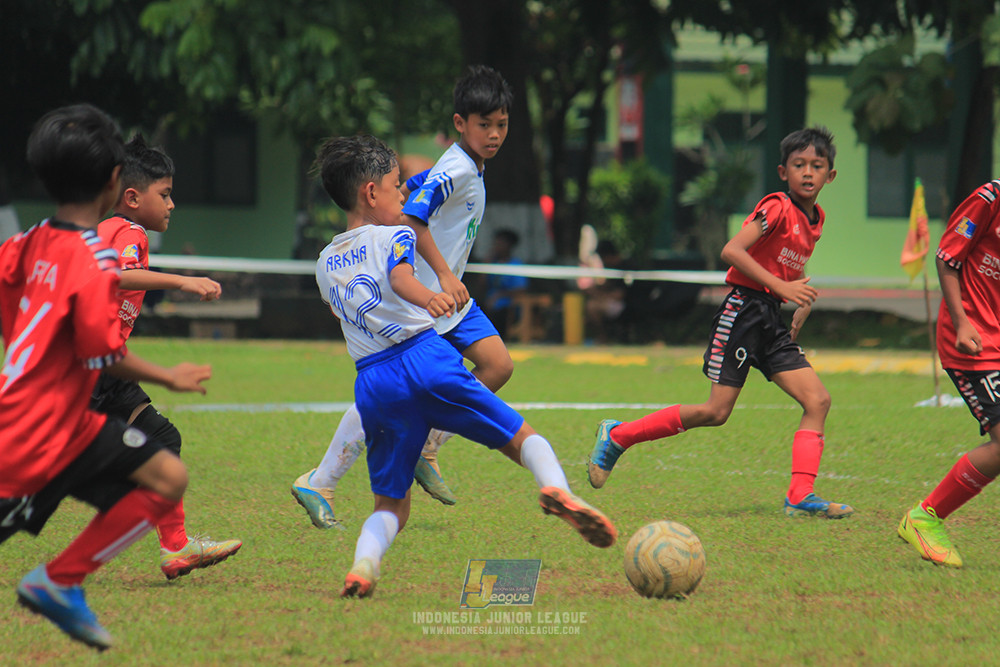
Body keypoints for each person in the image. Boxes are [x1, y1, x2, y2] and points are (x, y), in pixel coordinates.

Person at [307, 135, 616, 597]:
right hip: (424, 359)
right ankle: (558, 490)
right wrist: (429, 297)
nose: (403, 196)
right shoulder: (396, 234)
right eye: (395, 185)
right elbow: (400, 277)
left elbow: (344, 315)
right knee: (522, 437)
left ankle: (364, 565)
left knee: (390, 507)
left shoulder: (324, 262)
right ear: (371, 193)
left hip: (373, 382)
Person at [1, 104, 210, 650]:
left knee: (166, 475)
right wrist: (168, 376)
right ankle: (58, 577)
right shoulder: (94, 259)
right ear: (116, 181)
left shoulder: (22, 245)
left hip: (65, 419)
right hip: (36, 428)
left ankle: (57, 581)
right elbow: (104, 353)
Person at [588, 126, 854, 519]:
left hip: (770, 319)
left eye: (817, 166)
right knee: (716, 411)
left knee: (818, 400)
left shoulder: (816, 218)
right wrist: (782, 286)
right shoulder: (777, 206)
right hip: (743, 312)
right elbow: (732, 250)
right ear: (783, 172)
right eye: (799, 165)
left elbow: (789, 258)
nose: (808, 172)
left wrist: (798, 298)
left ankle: (800, 496)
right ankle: (618, 435)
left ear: (830, 175)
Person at [292, 64, 515, 525]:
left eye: (502, 124)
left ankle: (428, 445)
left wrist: (409, 186)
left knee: (497, 365)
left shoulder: (461, 166)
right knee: (390, 390)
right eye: (484, 125)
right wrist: (444, 276)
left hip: (449, 302)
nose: (494, 134)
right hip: (425, 299)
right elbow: (412, 219)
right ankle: (321, 478)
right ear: (460, 123)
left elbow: (415, 192)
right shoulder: (457, 167)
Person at [92, 135, 242, 580]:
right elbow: (117, 276)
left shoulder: (107, 229)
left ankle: (176, 548)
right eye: (165, 194)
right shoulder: (130, 232)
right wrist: (182, 281)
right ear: (133, 197)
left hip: (107, 367)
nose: (172, 204)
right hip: (88, 367)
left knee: (160, 438)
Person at [897, 179, 1000, 568]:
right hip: (974, 343)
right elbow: (947, 258)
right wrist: (961, 322)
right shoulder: (990, 199)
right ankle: (925, 517)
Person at [480, 228, 529, 338]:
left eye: (501, 243)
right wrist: (486, 265)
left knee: (498, 313)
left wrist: (499, 295)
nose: (497, 246)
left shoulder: (515, 264)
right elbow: (482, 285)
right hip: (489, 301)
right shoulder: (493, 263)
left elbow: (521, 289)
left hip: (508, 304)